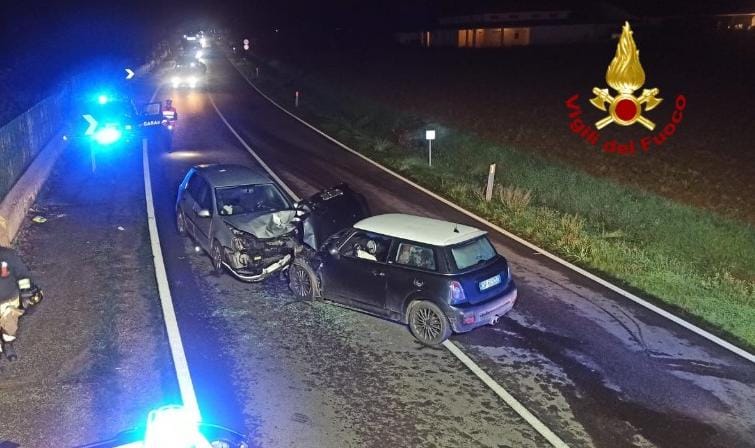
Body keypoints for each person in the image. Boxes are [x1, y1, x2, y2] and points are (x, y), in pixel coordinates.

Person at [0, 246, 42, 361]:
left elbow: (22, 274)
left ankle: (8, 344)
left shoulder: (7, 255)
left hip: (9, 302)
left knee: (10, 328)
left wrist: (26, 292)